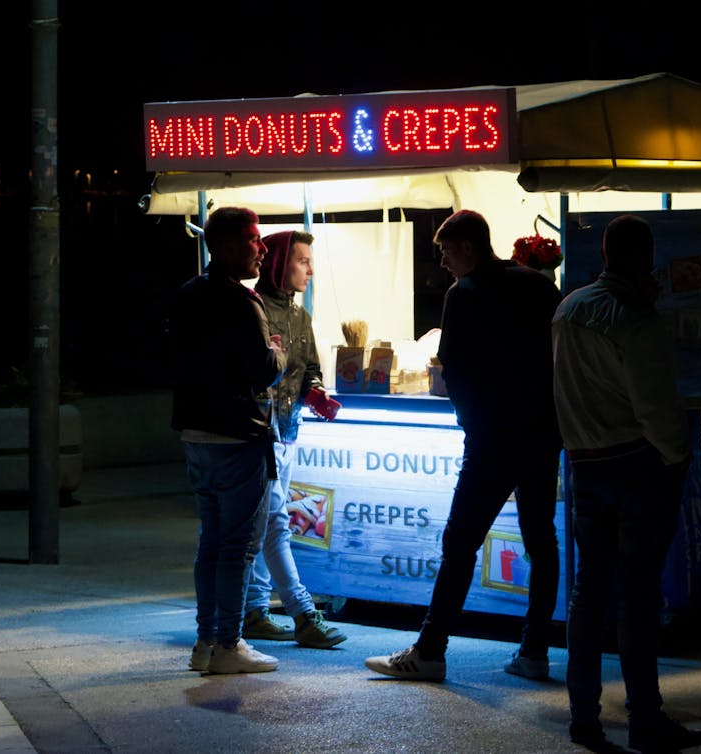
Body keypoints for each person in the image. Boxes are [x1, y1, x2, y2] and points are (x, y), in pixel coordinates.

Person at [364, 209, 562, 682]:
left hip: (493, 438)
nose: (445, 263)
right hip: (542, 433)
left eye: (447, 252)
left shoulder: (466, 293)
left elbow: (452, 364)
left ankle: (431, 650)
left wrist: (470, 419)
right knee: (541, 541)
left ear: (468, 248)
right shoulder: (537, 285)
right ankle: (535, 651)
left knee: (460, 543)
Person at [552, 214, 701, 753]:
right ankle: (645, 717)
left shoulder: (568, 308)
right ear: (648, 256)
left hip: (586, 465)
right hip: (638, 464)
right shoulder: (636, 317)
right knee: (639, 595)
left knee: (588, 591)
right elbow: (657, 406)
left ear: (603, 251)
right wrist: (677, 458)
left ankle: (583, 716)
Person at [170, 206, 286, 675]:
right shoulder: (242, 301)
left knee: (212, 541)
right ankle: (228, 644)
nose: (261, 249)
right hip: (238, 435)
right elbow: (262, 369)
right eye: (252, 240)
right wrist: (277, 350)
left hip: (195, 434)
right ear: (222, 246)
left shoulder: (186, 295)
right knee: (237, 546)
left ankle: (205, 642)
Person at [241, 229, 349, 650]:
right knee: (273, 523)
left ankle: (253, 610)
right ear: (279, 262)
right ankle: (302, 613)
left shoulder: (301, 315)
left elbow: (308, 369)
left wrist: (316, 393)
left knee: (268, 523)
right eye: (302, 261)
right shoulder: (254, 308)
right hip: (259, 435)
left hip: (287, 433)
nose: (310, 269)